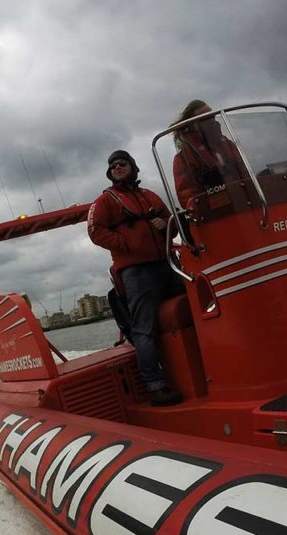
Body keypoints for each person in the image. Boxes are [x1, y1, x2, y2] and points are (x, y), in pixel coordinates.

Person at [87, 149, 183, 407]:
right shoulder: (105, 201)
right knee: (144, 329)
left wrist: (168, 226)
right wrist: (124, 243)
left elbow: (170, 220)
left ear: (133, 167)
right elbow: (95, 231)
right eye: (113, 166)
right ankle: (155, 386)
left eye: (122, 163)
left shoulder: (149, 196)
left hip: (166, 264)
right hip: (136, 272)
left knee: (192, 307)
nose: (117, 167)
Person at [171, 100, 249, 210]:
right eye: (204, 117)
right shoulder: (184, 157)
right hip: (215, 215)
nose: (210, 119)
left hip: (245, 205)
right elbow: (187, 196)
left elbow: (245, 173)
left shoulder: (227, 144)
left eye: (211, 115)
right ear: (192, 123)